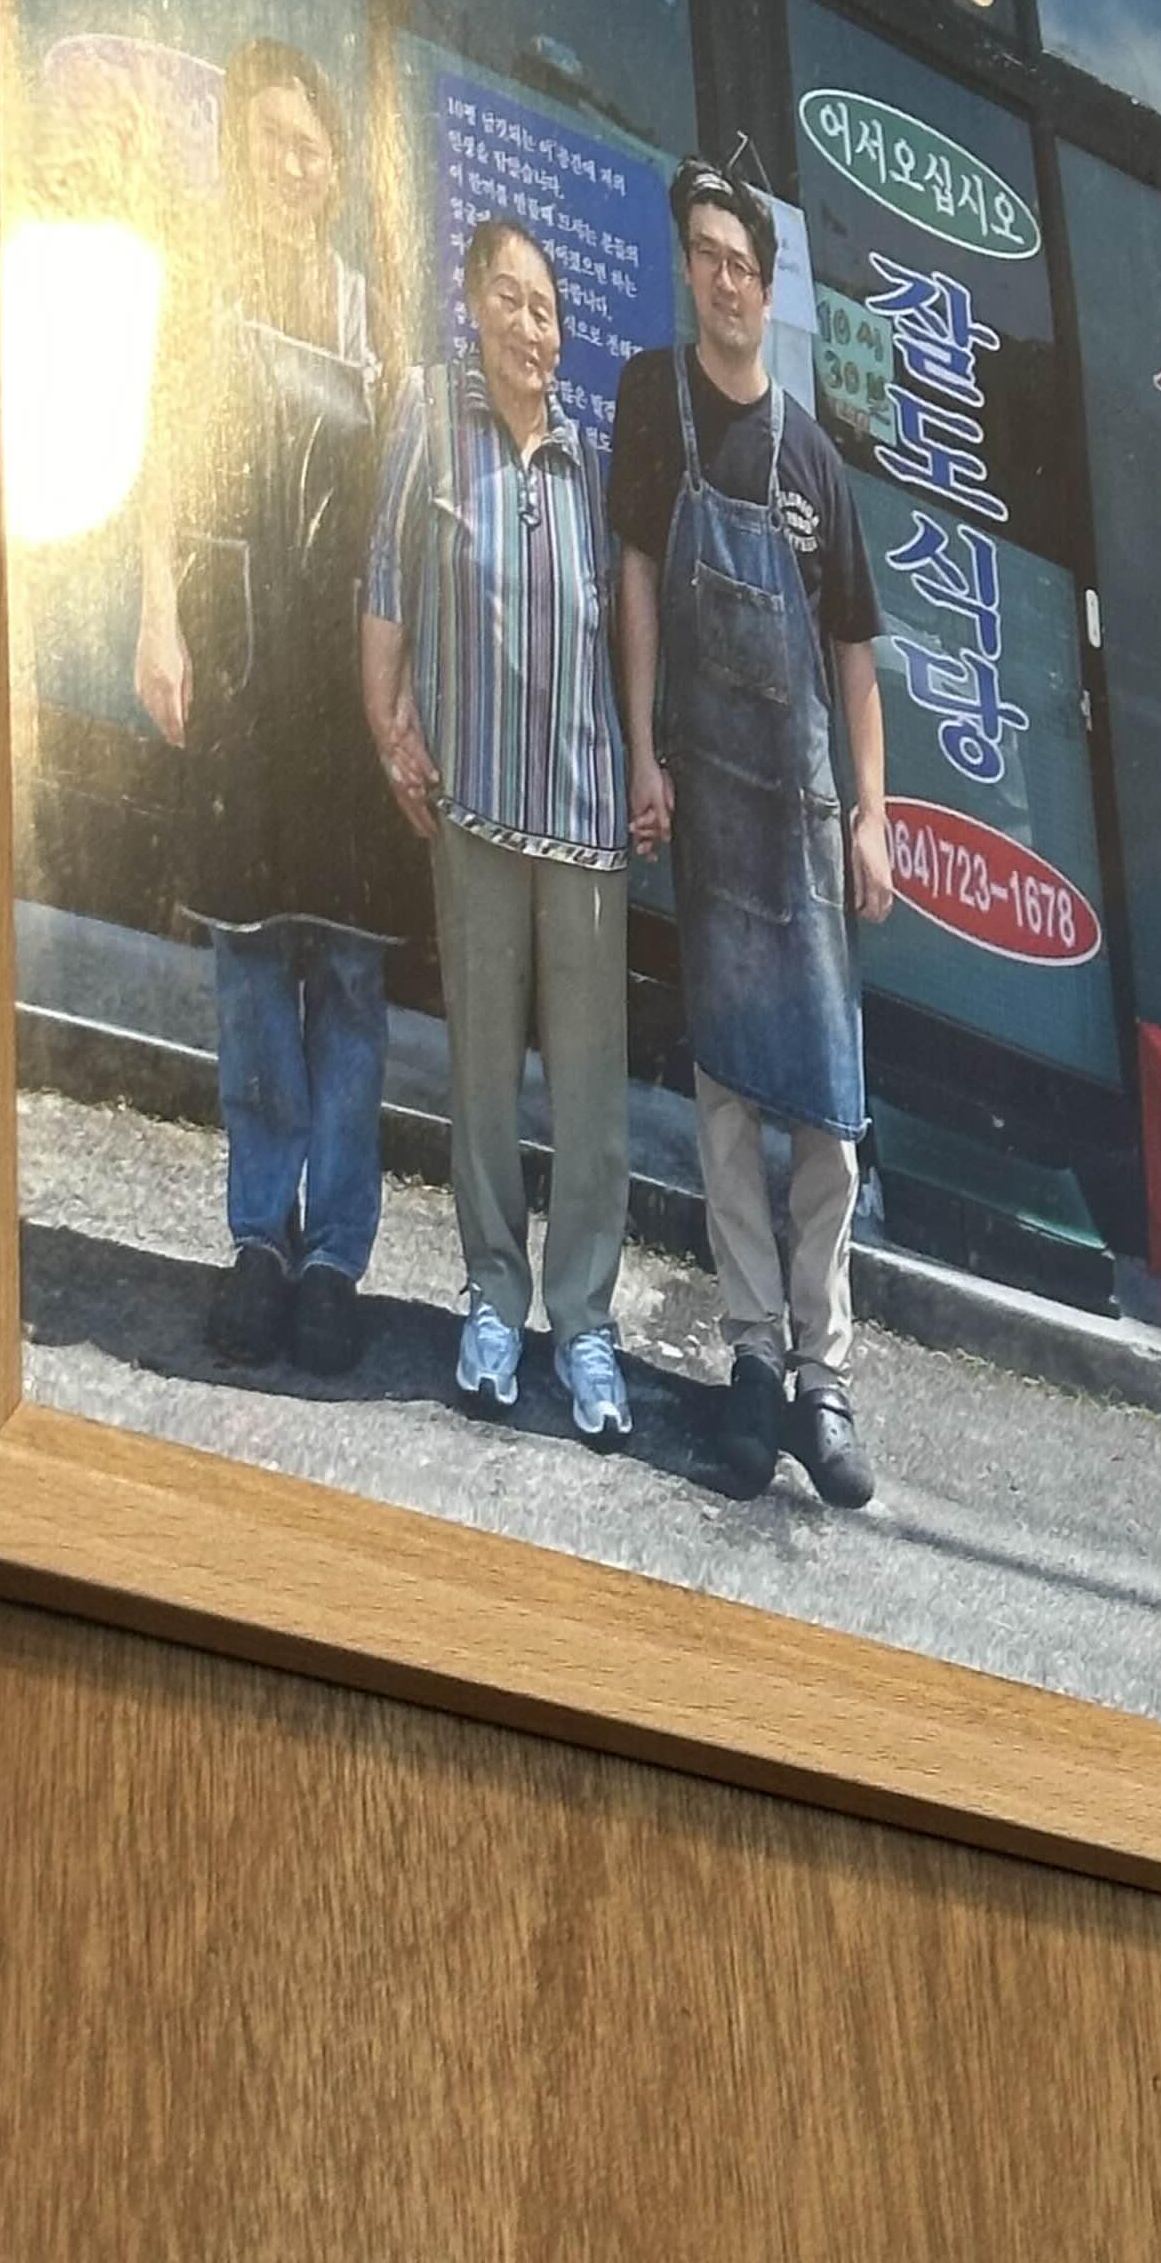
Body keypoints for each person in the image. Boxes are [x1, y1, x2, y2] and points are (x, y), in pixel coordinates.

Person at [609, 157, 895, 1506]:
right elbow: (636, 581)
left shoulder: (816, 460)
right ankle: (749, 1361)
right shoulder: (649, 404)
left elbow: (855, 657)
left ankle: (823, 1375)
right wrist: (642, 750)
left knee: (827, 1107)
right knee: (726, 1091)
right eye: (708, 258)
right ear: (687, 271)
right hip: (712, 799)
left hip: (806, 810)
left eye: (745, 264)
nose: (726, 281)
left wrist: (873, 817)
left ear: (769, 292)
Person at [133, 39, 419, 1377]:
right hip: (243, 664)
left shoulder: (376, 324)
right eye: (269, 142)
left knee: (348, 975)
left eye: (310, 147)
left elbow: (405, 532)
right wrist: (158, 615)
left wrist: (405, 700)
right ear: (238, 155)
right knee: (252, 964)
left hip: (347, 686)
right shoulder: (202, 290)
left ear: (338, 171)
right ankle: (260, 1239)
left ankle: (335, 1258)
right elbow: (161, 466)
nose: (291, 166)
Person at [361, 214, 634, 1446]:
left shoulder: (591, 461)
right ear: (472, 302)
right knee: (481, 1073)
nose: (534, 327)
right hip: (470, 805)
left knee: (590, 1096)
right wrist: (390, 726)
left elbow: (622, 626)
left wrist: (642, 764)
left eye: (549, 309)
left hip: (583, 819)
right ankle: (491, 1296)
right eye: (513, 301)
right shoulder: (430, 411)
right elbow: (385, 575)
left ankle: (582, 1321)